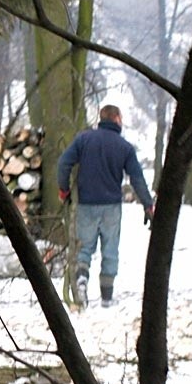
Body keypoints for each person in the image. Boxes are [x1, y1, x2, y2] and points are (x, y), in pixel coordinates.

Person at [57, 104, 154, 308]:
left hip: (86, 203)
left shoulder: (84, 139)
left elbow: (63, 163)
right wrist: (148, 204)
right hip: (111, 206)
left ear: (101, 119)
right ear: (117, 118)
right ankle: (107, 298)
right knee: (110, 250)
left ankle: (82, 281)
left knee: (84, 248)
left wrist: (63, 190)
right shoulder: (124, 146)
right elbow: (136, 178)